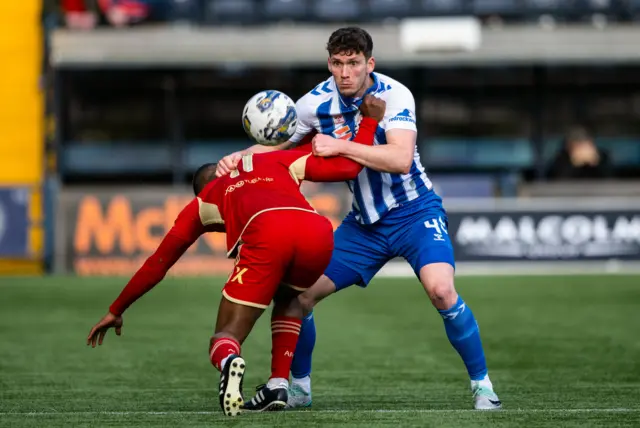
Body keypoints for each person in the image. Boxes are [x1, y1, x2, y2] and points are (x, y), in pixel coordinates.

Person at [215, 27, 502, 411]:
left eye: (353, 63)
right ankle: (299, 387)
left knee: (441, 291)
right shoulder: (314, 104)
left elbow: (400, 159)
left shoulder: (395, 94)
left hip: (415, 213)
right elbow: (274, 143)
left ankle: (482, 385)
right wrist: (239, 157)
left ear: (370, 64)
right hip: (363, 227)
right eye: (338, 63)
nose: (345, 72)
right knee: (297, 295)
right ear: (329, 64)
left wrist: (339, 145)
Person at [86, 94, 385, 416]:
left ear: (204, 186)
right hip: (317, 231)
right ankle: (278, 384)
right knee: (289, 300)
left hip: (269, 234)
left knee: (225, 335)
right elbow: (348, 167)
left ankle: (230, 361)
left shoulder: (203, 201)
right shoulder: (273, 160)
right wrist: (369, 121)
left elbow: (158, 263)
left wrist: (117, 309)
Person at [547, 126, 613, 180]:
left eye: (584, 144)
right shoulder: (561, 158)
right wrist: (575, 163)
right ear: (569, 145)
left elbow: (611, 180)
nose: (582, 149)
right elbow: (558, 182)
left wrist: (595, 163)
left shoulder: (603, 156)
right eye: (578, 145)